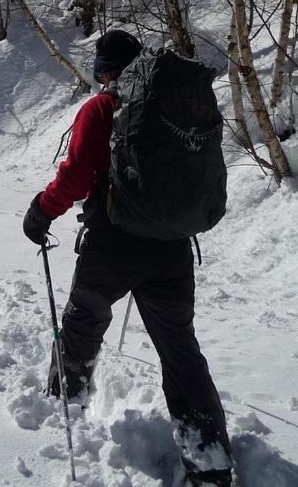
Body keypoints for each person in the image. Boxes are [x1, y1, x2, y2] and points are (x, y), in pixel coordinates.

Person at [22, 30, 233, 487]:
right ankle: (210, 460)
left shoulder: (101, 108)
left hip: (112, 247)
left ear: (106, 71)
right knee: (180, 353)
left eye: (101, 72)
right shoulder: (170, 107)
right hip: (172, 249)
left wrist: (42, 210)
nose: (100, 81)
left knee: (82, 324)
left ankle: (66, 403)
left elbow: (76, 175)